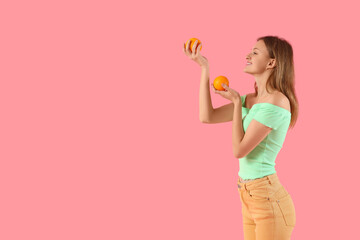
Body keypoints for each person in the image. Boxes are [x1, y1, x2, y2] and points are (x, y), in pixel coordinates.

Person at [183, 35, 299, 240]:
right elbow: (207, 117)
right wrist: (204, 68)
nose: (248, 55)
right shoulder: (251, 100)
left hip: (268, 199)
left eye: (255, 52)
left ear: (271, 63)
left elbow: (239, 150)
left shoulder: (277, 102)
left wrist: (237, 104)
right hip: (248, 195)